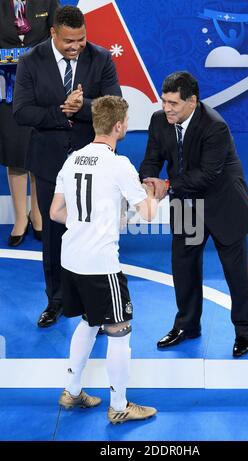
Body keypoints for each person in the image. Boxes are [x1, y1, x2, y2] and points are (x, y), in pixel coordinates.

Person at [50, 95, 158, 424]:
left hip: (71, 258)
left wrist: (91, 221)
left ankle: (72, 390)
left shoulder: (72, 160)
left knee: (88, 321)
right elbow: (149, 213)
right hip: (100, 264)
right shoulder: (119, 165)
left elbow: (56, 212)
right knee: (119, 329)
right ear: (119, 126)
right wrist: (154, 189)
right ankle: (120, 405)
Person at [13, 5, 122, 328]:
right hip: (48, 163)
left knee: (93, 234)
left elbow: (114, 106)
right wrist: (63, 112)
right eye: (68, 41)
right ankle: (56, 300)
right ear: (53, 34)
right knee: (54, 236)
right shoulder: (31, 61)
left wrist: (84, 107)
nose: (76, 46)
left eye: (81, 39)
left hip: (92, 165)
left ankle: (94, 306)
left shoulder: (101, 58)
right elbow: (21, 111)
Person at [139, 71, 248, 357]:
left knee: (236, 271)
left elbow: (207, 175)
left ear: (192, 101)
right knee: (184, 266)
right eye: (164, 101)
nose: (167, 108)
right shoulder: (159, 121)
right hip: (186, 203)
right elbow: (152, 158)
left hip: (222, 204)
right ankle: (187, 325)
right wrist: (149, 179)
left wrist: (166, 185)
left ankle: (246, 330)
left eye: (173, 103)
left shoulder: (214, 126)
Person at [0, 0, 60, 246]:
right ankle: (19, 219)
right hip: (6, 88)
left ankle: (38, 216)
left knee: (38, 149)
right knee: (14, 151)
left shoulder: (47, 1)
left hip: (40, 89)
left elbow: (58, 35)